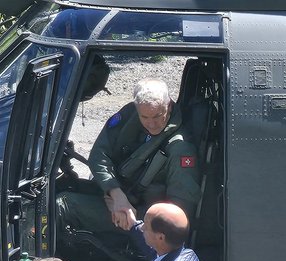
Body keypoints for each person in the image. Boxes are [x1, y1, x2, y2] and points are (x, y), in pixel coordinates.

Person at [57, 79, 201, 242]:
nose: (151, 124)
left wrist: (135, 217)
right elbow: (98, 155)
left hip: (143, 217)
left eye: (157, 116)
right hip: (120, 196)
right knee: (59, 187)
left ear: (169, 106)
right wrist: (116, 194)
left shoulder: (180, 149)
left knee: (62, 206)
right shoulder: (130, 115)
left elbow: (179, 213)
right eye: (145, 117)